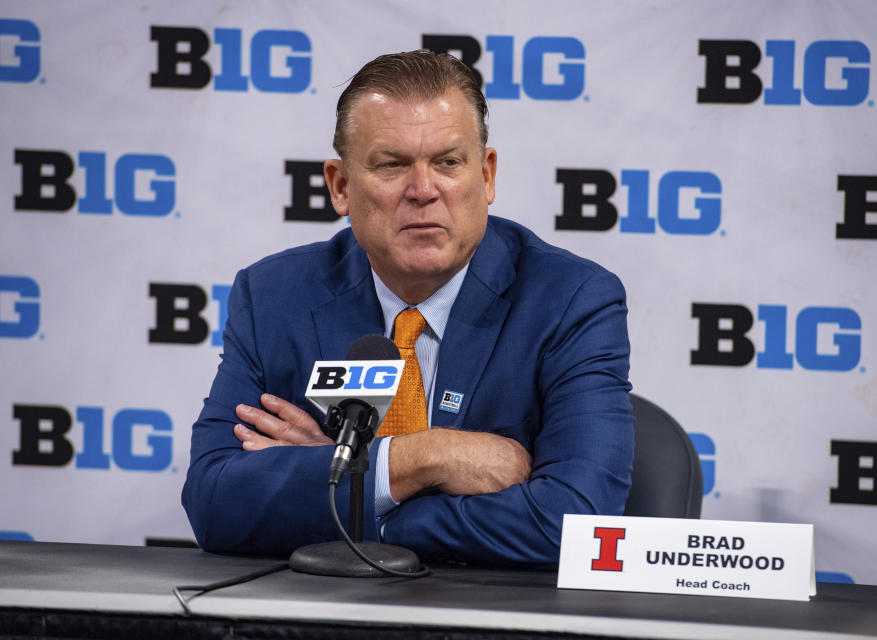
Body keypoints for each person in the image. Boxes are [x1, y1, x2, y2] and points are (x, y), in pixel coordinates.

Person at [181, 50, 633, 568]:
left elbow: (576, 524)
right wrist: (420, 459)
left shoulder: (570, 300)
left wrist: (353, 486)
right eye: (391, 165)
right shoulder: (275, 296)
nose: (423, 191)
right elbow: (214, 502)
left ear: (486, 177)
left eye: (447, 162)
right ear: (341, 186)